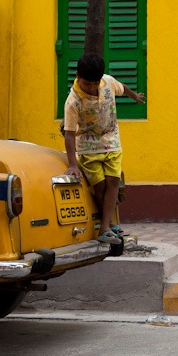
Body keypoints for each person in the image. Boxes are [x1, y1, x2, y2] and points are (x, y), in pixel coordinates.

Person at [63, 53, 146, 245]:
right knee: (99, 186)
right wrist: (73, 164)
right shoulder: (73, 101)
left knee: (113, 182)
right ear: (77, 76)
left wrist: (134, 96)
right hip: (88, 147)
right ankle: (109, 224)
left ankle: (106, 227)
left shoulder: (107, 82)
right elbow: (69, 134)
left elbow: (121, 87)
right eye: (87, 84)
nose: (92, 88)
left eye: (95, 83)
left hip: (112, 141)